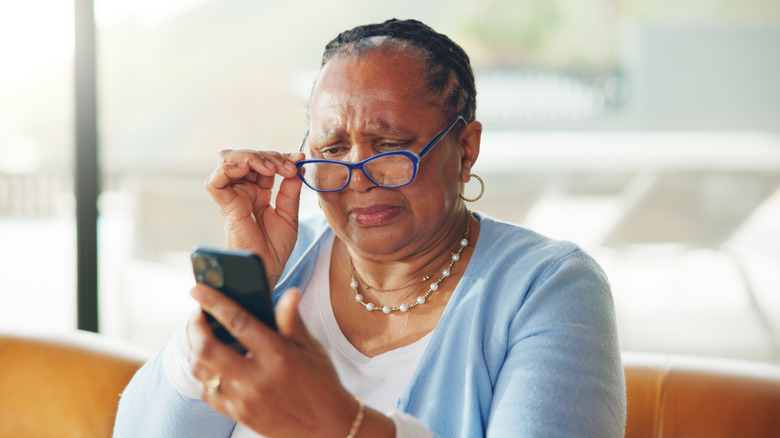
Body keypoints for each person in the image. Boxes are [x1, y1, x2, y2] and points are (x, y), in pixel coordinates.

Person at [114, 18, 626, 437]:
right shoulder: (286, 265)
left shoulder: (552, 287)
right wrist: (242, 295)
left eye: (389, 146)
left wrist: (340, 425)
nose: (358, 179)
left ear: (465, 150)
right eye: (333, 150)